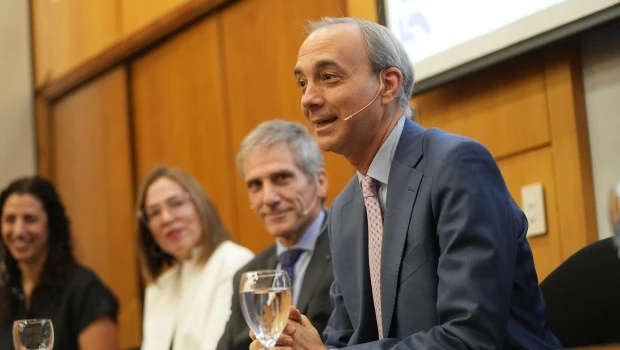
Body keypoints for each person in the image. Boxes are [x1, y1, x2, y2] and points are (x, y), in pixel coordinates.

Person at [257, 17, 562, 349]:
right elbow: (343, 340)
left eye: (328, 77)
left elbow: (470, 336)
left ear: (387, 85)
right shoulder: (345, 208)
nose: (308, 99)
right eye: (303, 83)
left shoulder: (457, 165)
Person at [217, 120, 333, 350]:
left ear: (319, 183)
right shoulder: (248, 275)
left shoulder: (354, 251)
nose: (268, 198)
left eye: (281, 178)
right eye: (255, 185)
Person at [136, 166, 253, 350]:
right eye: (154, 212)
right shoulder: (159, 287)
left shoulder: (233, 261)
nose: (166, 218)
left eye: (176, 203)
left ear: (200, 206)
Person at [0, 176, 119, 350]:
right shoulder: (8, 295)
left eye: (30, 219)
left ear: (52, 225)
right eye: (10, 220)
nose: (18, 231)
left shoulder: (85, 291)